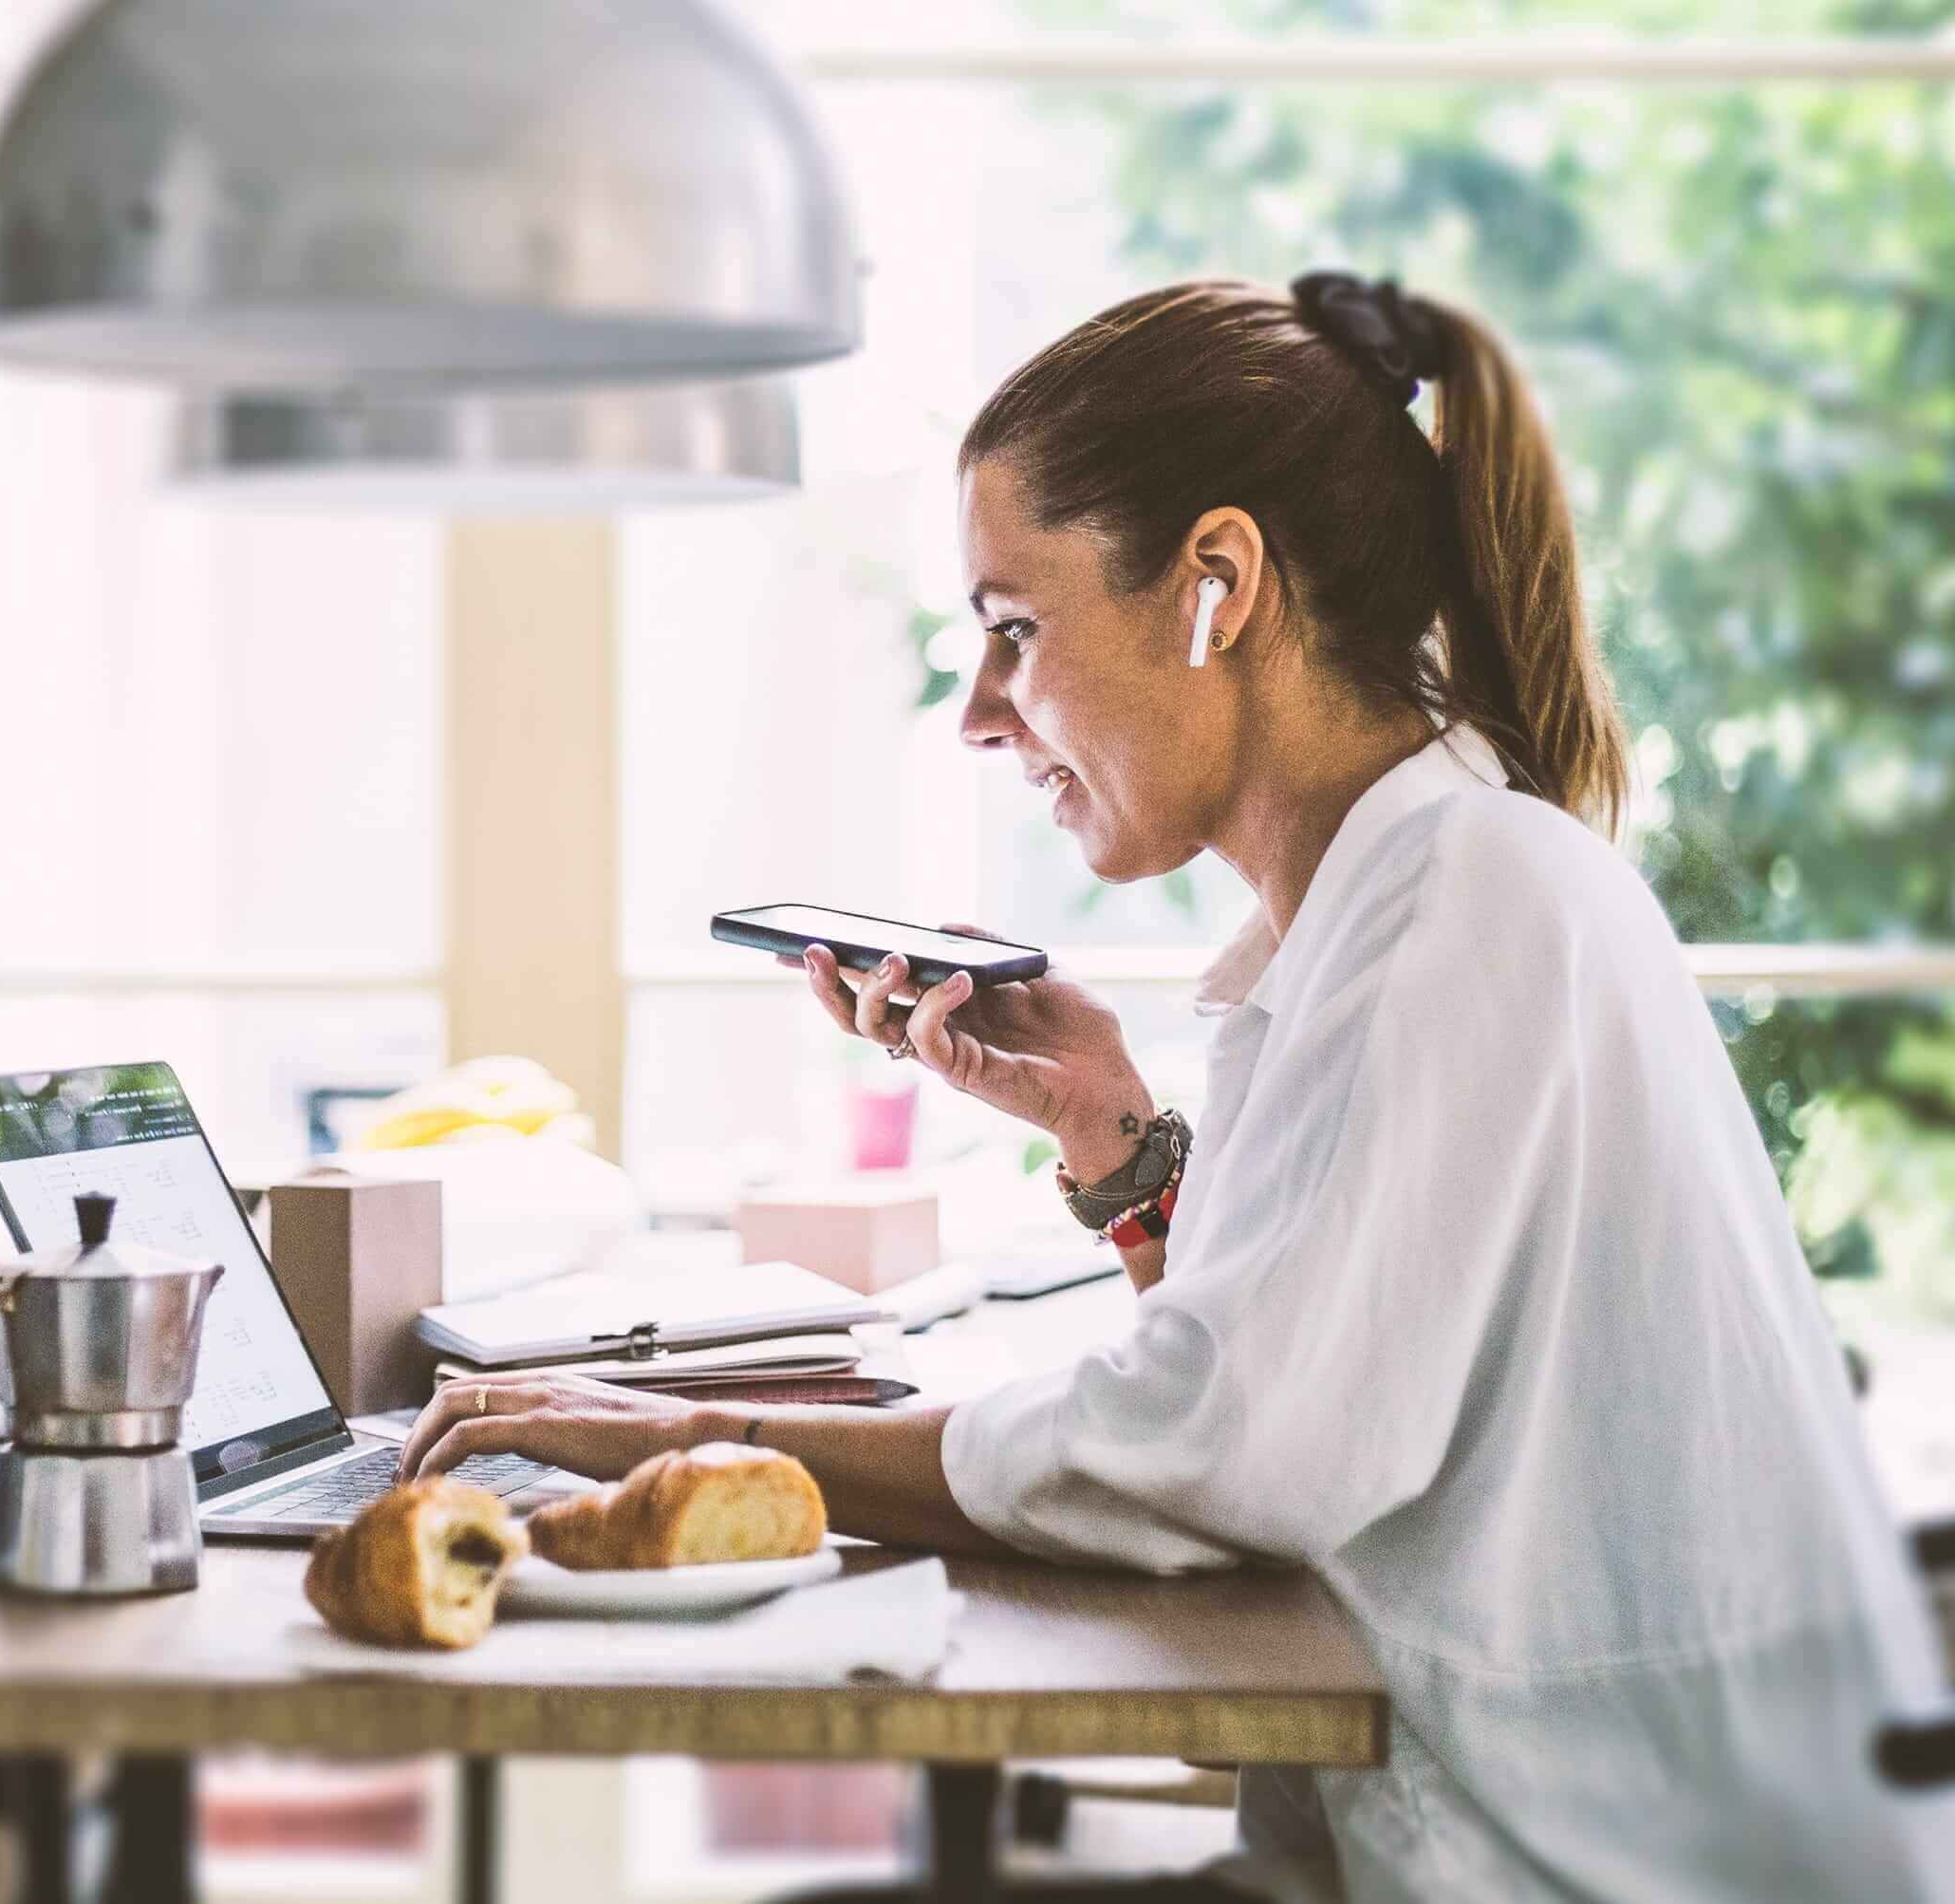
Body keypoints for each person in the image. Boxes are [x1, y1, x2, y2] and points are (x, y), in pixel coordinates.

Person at [403, 275, 1954, 1900]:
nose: (985, 716)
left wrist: (695, 1439)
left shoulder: (1461, 904)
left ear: (1220, 581)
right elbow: (1285, 1384)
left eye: (1016, 630)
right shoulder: (1411, 894)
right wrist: (1116, 1139)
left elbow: (1226, 1453)